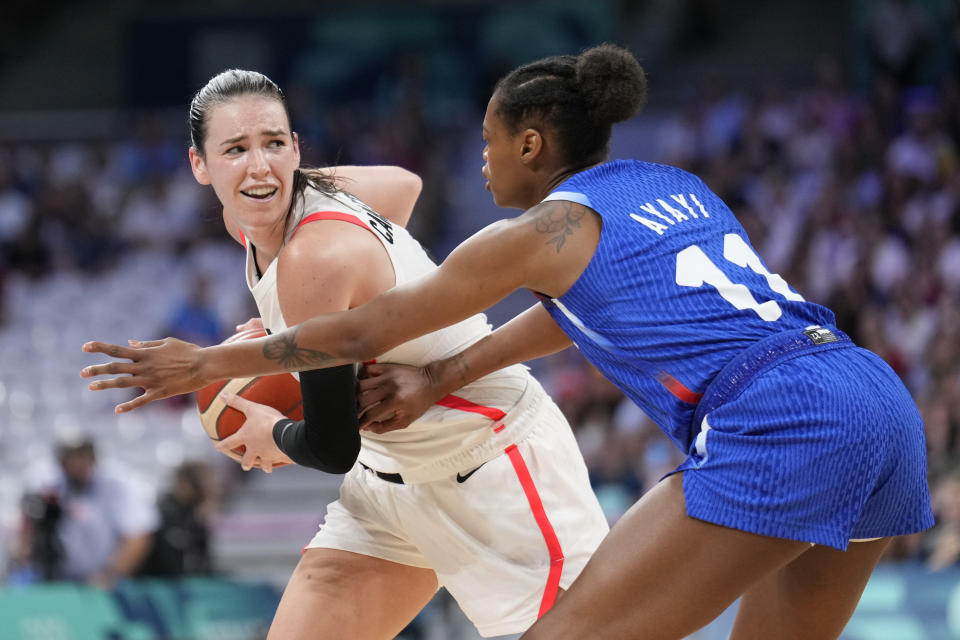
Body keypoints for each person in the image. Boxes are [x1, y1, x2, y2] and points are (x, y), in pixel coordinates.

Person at [82, 45, 935, 639]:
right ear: (204, 164)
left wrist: (206, 362)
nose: (480, 164)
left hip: (767, 421)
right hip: (869, 393)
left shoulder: (531, 234)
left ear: (530, 143)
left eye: (489, 144)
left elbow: (359, 332)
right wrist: (441, 373)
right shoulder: (668, 185)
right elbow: (581, 313)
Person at [85, 69, 609, 639]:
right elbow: (404, 185)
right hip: (390, 479)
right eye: (236, 149)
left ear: (295, 148)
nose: (260, 166)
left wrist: (273, 432)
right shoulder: (287, 209)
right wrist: (342, 311)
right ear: (200, 165)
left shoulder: (314, 256)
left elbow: (332, 446)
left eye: (274, 144)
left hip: (491, 463)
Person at [12, 436, 157, 589]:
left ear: (93, 458)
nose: (77, 463)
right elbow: (29, 527)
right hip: (56, 576)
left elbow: (139, 536)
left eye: (82, 456)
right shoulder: (48, 484)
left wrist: (110, 573)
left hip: (105, 580)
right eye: (70, 457)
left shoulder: (116, 484)